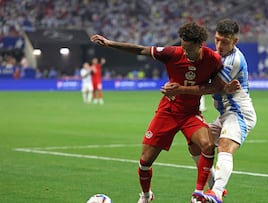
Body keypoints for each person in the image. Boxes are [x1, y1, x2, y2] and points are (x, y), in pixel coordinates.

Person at [91, 22, 234, 203]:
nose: (184, 51)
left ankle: (198, 194)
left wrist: (186, 89)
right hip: (168, 111)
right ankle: (146, 195)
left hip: (190, 114)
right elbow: (140, 50)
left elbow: (215, 86)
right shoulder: (172, 53)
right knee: (145, 161)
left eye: (188, 48)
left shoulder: (213, 59)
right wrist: (110, 43)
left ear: (200, 45)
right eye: (182, 47)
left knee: (207, 144)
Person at [162, 19, 257, 203]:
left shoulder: (234, 60)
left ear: (235, 41)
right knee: (195, 143)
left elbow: (211, 87)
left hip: (239, 113)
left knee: (225, 145)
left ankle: (217, 193)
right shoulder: (214, 56)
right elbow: (201, 80)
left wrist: (179, 89)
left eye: (225, 42)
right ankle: (213, 185)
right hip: (224, 115)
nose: (220, 45)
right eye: (217, 40)